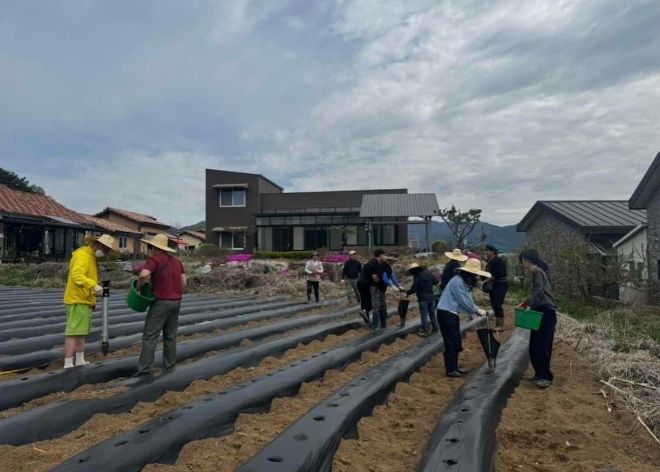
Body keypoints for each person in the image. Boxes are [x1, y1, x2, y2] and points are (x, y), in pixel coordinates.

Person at [62, 234, 116, 369]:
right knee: (73, 331)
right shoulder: (82, 255)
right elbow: (77, 275)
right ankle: (68, 363)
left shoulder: (91, 257)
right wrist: (93, 285)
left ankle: (80, 359)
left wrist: (92, 300)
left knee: (81, 331)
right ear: (99, 245)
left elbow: (88, 276)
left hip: (84, 299)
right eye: (106, 249)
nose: (106, 253)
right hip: (76, 299)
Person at [136, 233, 186, 375]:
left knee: (150, 336)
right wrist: (178, 293)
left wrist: (138, 288)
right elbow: (184, 282)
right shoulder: (177, 262)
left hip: (161, 302)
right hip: (176, 302)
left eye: (150, 247)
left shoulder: (154, 259)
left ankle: (144, 369)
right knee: (170, 336)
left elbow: (143, 275)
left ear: (154, 247)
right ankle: (170, 366)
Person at [436, 258, 489, 377]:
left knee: (456, 341)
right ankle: (451, 370)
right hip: (446, 313)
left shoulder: (463, 282)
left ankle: (454, 367)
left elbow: (466, 299)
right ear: (468, 272)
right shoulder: (457, 282)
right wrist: (476, 310)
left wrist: (474, 311)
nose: (476, 276)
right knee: (452, 342)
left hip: (451, 313)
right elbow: (463, 300)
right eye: (474, 274)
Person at [519, 250, 557, 389]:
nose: (522, 263)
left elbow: (539, 292)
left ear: (527, 260)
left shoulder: (537, 272)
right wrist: (526, 302)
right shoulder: (537, 272)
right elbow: (537, 293)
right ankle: (539, 373)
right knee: (535, 344)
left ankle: (545, 376)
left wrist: (530, 306)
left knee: (542, 345)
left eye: (522, 260)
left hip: (546, 312)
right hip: (540, 311)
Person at [372, 253, 405, 329]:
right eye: (392, 261)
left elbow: (392, 277)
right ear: (388, 260)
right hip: (376, 288)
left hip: (382, 289)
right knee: (377, 307)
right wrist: (392, 286)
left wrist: (399, 285)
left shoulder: (389, 267)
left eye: (394, 261)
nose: (393, 262)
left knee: (383, 307)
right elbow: (384, 278)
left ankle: (383, 325)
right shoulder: (382, 266)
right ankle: (375, 327)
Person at [406, 263, 439, 336]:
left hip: (423, 299)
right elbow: (436, 282)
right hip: (431, 298)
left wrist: (407, 293)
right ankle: (435, 329)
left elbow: (414, 289)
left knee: (424, 316)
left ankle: (425, 331)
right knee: (432, 315)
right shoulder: (428, 274)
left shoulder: (417, 277)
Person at [483, 244, 508, 331]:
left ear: (492, 251)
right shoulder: (490, 262)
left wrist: (489, 279)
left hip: (500, 285)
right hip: (494, 286)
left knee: (497, 304)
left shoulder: (499, 261)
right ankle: (498, 324)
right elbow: (486, 274)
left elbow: (500, 273)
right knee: (494, 304)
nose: (485, 252)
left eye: (487, 250)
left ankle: (500, 325)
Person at [357, 249, 384, 326]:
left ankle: (367, 320)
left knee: (364, 301)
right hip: (365, 284)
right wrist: (372, 275)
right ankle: (365, 311)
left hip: (360, 283)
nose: (384, 257)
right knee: (372, 301)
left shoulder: (373, 261)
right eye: (384, 255)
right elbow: (367, 266)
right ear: (381, 255)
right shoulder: (374, 260)